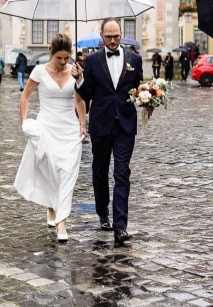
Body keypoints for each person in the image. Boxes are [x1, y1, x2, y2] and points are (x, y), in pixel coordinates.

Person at [72, 18, 143, 245]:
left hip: (125, 125)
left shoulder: (135, 59)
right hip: (101, 125)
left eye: (116, 36)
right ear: (102, 37)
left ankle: (120, 225)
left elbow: (138, 89)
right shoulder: (91, 61)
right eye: (108, 37)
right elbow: (87, 94)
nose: (113, 41)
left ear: (121, 34)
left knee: (122, 174)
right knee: (100, 171)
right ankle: (103, 212)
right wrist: (79, 79)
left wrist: (149, 98)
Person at [14, 34, 87, 243]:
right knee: (51, 169)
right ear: (51, 53)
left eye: (66, 58)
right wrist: (24, 122)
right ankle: (51, 207)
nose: (63, 62)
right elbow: (25, 96)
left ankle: (61, 222)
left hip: (69, 129)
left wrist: (83, 123)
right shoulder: (39, 71)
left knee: (67, 172)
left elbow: (80, 100)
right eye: (59, 58)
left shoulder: (74, 71)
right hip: (47, 127)